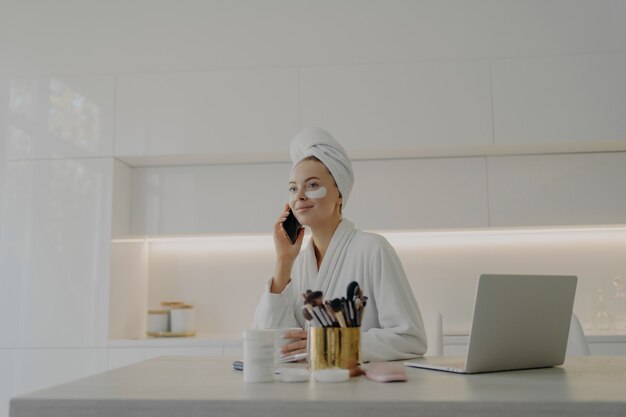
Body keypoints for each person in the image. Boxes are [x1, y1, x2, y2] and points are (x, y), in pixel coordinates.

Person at [253, 127, 427, 362]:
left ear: (340, 195)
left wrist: (329, 343)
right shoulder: (299, 263)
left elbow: (410, 339)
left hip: (364, 389)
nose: (299, 196)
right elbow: (273, 345)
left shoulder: (373, 249)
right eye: (293, 188)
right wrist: (283, 261)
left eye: (312, 185)